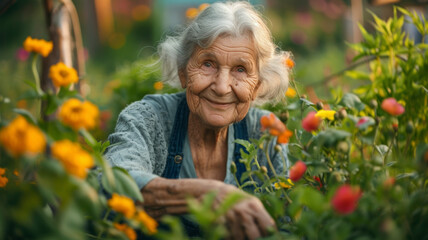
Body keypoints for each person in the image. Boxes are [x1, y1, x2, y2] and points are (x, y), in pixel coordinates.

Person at [104, 1, 292, 239]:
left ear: (257, 87)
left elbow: (288, 224)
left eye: (240, 70)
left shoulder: (267, 133)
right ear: (183, 72)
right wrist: (211, 195)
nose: (222, 87)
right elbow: (112, 181)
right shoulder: (147, 119)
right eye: (208, 64)